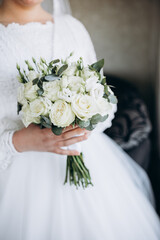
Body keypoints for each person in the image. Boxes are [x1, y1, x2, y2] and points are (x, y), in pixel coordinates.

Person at [0, 0, 160, 239]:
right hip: (14, 177)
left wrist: (85, 120)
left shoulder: (72, 28)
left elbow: (101, 98)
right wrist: (18, 142)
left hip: (86, 158)